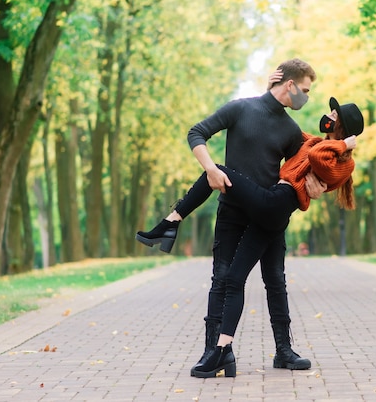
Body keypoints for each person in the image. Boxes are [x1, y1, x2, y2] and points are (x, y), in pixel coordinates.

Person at [140, 97, 364, 378]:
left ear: (343, 126)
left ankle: (170, 222)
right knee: (231, 279)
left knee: (273, 279)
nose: (327, 115)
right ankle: (220, 350)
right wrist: (272, 91)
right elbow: (283, 131)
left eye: (334, 114)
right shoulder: (314, 141)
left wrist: (344, 145)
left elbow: (320, 161)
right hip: (269, 206)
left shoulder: (344, 160)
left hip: (276, 204)